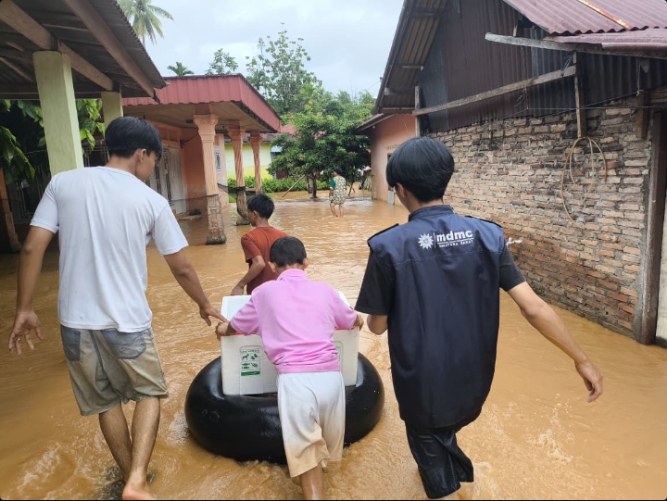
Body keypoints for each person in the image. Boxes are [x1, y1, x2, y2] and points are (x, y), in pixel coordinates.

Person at [355, 137, 603, 500]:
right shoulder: (488, 235)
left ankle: (446, 482)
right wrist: (582, 360)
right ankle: (455, 475)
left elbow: (376, 326)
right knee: (444, 436)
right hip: (473, 382)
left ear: (401, 190)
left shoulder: (388, 247)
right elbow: (534, 307)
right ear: (445, 179)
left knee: (435, 471)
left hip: (424, 389)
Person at [8, 117, 225, 501]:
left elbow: (31, 247)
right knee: (149, 393)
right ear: (141, 154)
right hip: (127, 322)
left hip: (74, 324)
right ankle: (137, 478)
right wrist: (204, 303)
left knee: (105, 403)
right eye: (154, 160)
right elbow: (181, 267)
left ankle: (131, 479)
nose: (152, 168)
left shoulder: (62, 183)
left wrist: (24, 308)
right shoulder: (151, 201)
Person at [217, 236, 364, 500]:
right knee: (318, 459)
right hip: (333, 380)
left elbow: (236, 326)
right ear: (306, 262)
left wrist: (221, 329)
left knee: (307, 460)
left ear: (272, 266)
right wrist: (358, 320)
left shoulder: (263, 293)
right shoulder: (326, 291)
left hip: (296, 384)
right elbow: (353, 320)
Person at [231, 193, 287, 296]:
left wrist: (240, 285)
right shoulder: (283, 236)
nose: (247, 215)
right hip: (280, 291)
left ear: (255, 214)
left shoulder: (248, 237)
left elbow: (259, 263)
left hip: (258, 292)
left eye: (248, 211)